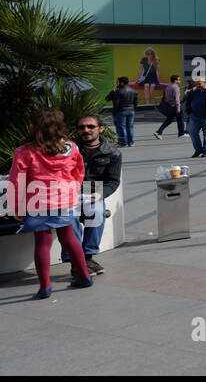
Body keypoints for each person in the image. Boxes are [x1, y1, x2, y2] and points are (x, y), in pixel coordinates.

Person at [8, 109, 94, 298]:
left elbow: (16, 181)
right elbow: (79, 172)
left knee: (42, 243)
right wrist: (71, 190)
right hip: (65, 200)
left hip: (38, 201)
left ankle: (45, 287)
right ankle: (84, 276)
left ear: (33, 127)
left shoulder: (24, 151)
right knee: (69, 238)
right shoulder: (71, 147)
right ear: (59, 127)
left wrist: (17, 206)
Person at [59, 113, 121, 276]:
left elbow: (113, 181)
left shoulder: (112, 153)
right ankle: (75, 260)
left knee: (97, 212)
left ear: (100, 128)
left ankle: (87, 256)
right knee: (69, 218)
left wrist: (100, 195)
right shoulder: (67, 149)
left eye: (90, 126)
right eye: (81, 127)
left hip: (92, 193)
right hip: (68, 193)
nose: (86, 130)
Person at [106, 77, 137, 148]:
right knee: (130, 127)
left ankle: (123, 142)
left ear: (122, 83)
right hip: (131, 111)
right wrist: (133, 109)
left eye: (118, 82)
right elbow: (135, 103)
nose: (117, 83)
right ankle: (131, 142)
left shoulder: (118, 91)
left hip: (121, 111)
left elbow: (115, 102)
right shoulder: (134, 91)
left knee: (121, 127)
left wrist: (115, 112)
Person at [152, 74, 185, 140]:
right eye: (178, 80)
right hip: (175, 106)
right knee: (180, 120)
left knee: (169, 119)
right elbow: (177, 99)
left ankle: (159, 132)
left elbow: (166, 97)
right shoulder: (176, 87)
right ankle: (181, 134)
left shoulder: (169, 86)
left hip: (169, 106)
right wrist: (178, 108)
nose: (180, 81)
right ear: (175, 81)